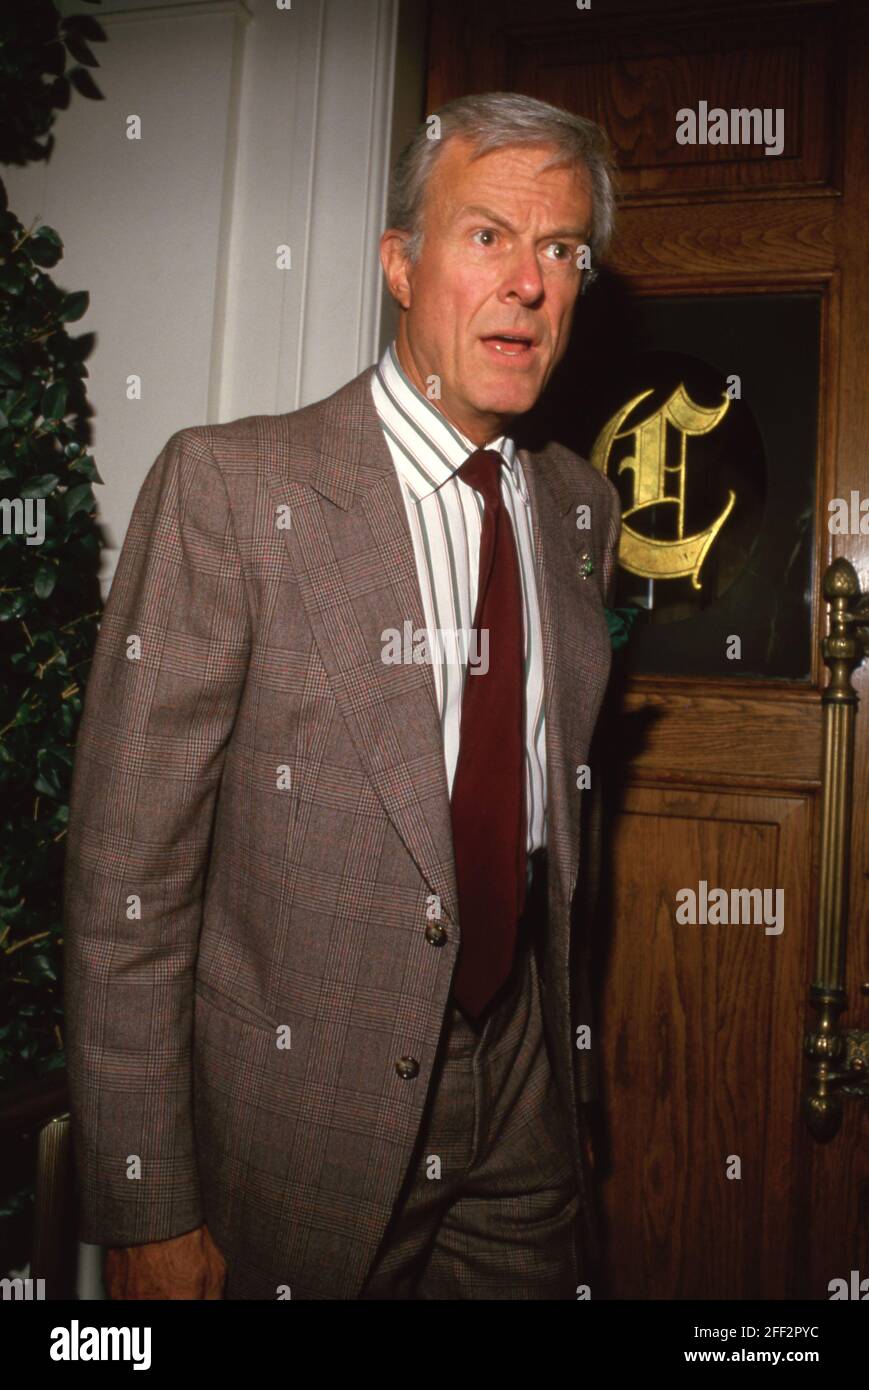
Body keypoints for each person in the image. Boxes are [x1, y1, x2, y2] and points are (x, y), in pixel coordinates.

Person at [63, 90, 621, 1300]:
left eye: (560, 248)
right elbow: (127, 886)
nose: (528, 281)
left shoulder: (581, 511)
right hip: (295, 1128)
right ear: (400, 266)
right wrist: (147, 1204)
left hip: (522, 1100)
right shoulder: (229, 490)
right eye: (486, 236)